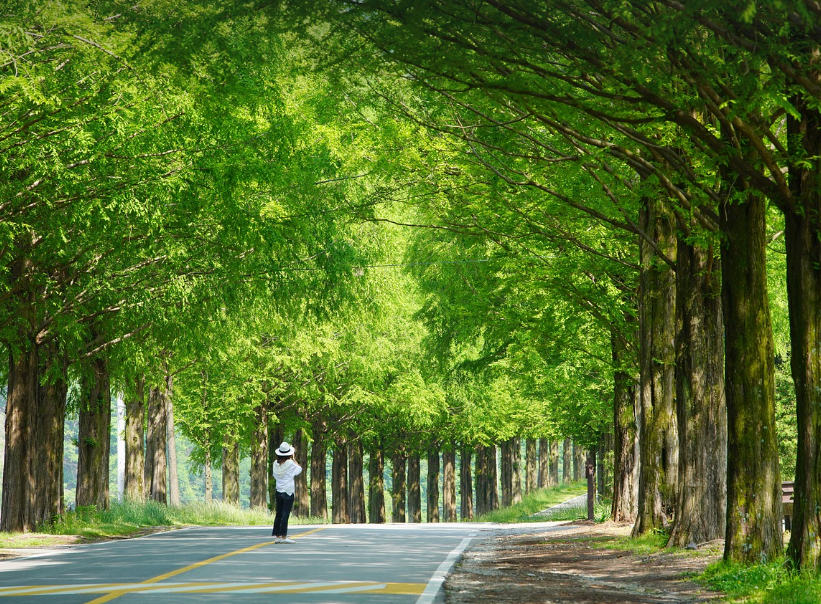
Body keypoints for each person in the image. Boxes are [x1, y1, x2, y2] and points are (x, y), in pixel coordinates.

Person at [271, 441, 302, 544]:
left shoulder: (275, 464)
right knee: (285, 514)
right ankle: (284, 537)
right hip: (288, 492)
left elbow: (275, 476)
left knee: (278, 514)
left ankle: (277, 536)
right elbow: (299, 470)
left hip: (278, 490)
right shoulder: (291, 463)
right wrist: (294, 459)